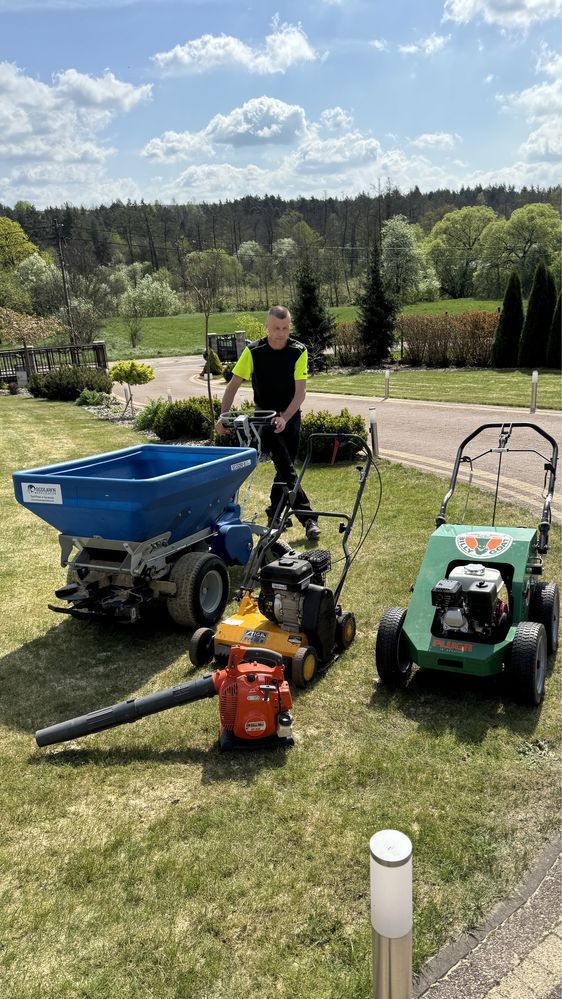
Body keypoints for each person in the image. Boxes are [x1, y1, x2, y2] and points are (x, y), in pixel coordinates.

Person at [215, 306, 320, 541]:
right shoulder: (253, 352)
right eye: (276, 328)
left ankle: (275, 516)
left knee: (285, 469)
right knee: (284, 464)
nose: (280, 333)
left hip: (290, 416)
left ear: (289, 327)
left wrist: (285, 417)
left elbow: (300, 394)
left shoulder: (298, 351)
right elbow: (232, 386)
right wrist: (223, 415)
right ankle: (309, 519)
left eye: (285, 328)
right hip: (264, 419)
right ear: (267, 327)